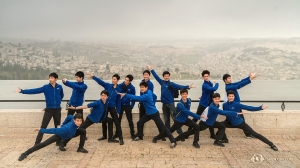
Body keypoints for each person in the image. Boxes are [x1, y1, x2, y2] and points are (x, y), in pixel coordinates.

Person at [118, 81, 177, 148]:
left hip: (154, 113)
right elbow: (155, 96)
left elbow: (138, 98)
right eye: (141, 87)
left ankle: (173, 141)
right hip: (148, 114)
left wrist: (126, 95)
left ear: (146, 87)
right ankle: (140, 136)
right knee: (139, 123)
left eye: (143, 87)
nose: (141, 89)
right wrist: (153, 103)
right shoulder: (149, 92)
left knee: (163, 127)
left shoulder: (146, 95)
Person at [14, 72, 64, 146]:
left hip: (57, 110)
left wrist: (58, 101)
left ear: (56, 79)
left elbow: (61, 95)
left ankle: (58, 142)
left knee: (58, 126)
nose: (50, 79)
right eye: (49, 78)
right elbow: (34, 90)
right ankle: (37, 143)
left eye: (52, 78)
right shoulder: (46, 87)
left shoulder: (59, 87)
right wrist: (22, 91)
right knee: (43, 126)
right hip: (49, 110)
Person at [148, 65, 196, 136]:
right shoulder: (162, 82)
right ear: (163, 77)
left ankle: (180, 134)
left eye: (167, 76)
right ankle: (168, 134)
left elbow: (179, 86)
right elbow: (156, 77)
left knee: (176, 119)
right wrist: (151, 70)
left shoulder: (172, 84)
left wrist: (188, 87)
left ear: (169, 76)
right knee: (166, 120)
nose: (166, 77)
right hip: (164, 104)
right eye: (165, 76)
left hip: (170, 103)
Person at [18, 113, 87, 161]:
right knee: (44, 144)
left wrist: (63, 123)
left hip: (71, 134)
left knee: (83, 131)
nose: (79, 122)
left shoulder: (73, 118)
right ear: (74, 120)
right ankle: (25, 153)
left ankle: (80, 148)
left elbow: (69, 116)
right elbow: (53, 130)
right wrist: (41, 130)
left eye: (80, 121)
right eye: (77, 121)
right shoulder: (66, 128)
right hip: (61, 135)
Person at [87, 73, 124, 145]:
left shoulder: (119, 89)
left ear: (118, 80)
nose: (113, 80)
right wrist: (93, 77)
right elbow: (100, 82)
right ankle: (104, 136)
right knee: (104, 120)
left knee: (117, 123)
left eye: (114, 79)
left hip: (112, 107)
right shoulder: (108, 85)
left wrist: (118, 111)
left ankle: (120, 138)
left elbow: (119, 102)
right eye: (112, 79)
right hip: (105, 106)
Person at [223, 72, 257, 138]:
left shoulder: (231, 85)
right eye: (229, 78)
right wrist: (250, 79)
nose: (230, 79)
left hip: (235, 105)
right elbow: (239, 86)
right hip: (235, 106)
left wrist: (249, 77)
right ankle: (248, 134)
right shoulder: (228, 87)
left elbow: (240, 82)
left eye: (230, 78)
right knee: (241, 121)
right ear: (225, 80)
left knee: (228, 121)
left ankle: (221, 134)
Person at [190, 70, 218, 139]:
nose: (206, 77)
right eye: (205, 76)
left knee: (210, 118)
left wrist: (202, 95)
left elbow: (209, 92)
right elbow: (214, 88)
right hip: (203, 104)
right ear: (203, 77)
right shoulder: (205, 85)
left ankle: (212, 134)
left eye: (207, 76)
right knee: (196, 117)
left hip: (209, 104)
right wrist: (217, 84)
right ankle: (189, 131)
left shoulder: (210, 83)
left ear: (209, 76)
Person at [115, 74, 136, 139]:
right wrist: (117, 106)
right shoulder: (120, 86)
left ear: (130, 81)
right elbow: (116, 96)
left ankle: (132, 134)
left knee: (130, 121)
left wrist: (131, 106)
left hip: (127, 105)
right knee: (118, 120)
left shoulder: (132, 88)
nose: (125, 81)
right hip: (120, 105)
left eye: (127, 80)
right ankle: (117, 133)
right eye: (125, 79)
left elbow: (134, 98)